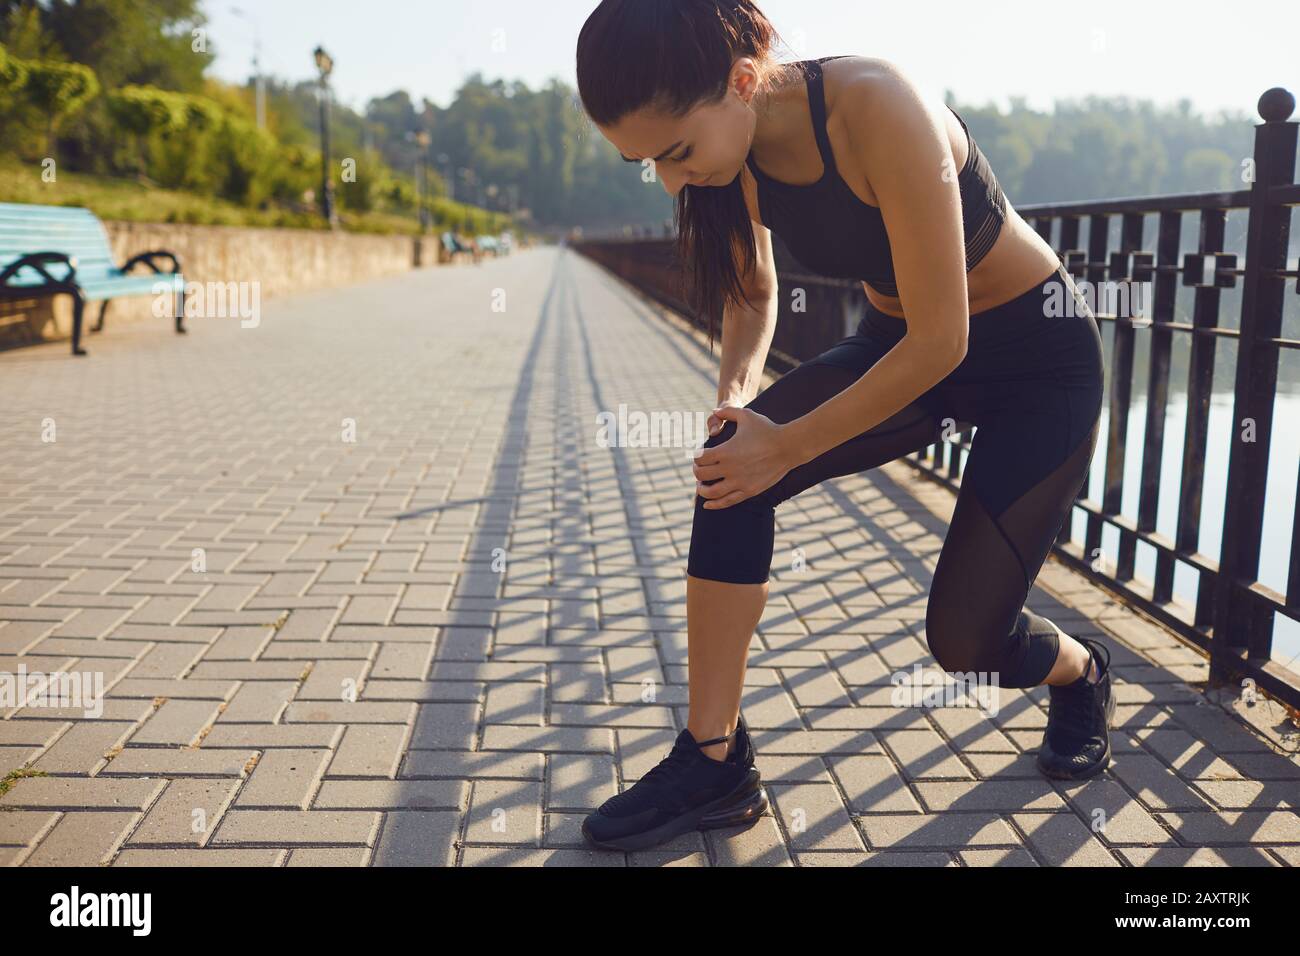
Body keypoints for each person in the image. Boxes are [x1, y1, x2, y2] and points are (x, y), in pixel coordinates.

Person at [575, 0, 1112, 853]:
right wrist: (741, 404)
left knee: (965, 643)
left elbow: (947, 338)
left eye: (675, 152)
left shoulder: (878, 107)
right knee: (730, 468)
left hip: (1034, 365)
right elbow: (753, 296)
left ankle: (1080, 670)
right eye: (648, 165)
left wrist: (785, 444)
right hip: (900, 348)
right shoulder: (729, 162)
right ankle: (714, 758)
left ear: (743, 84)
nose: (672, 182)